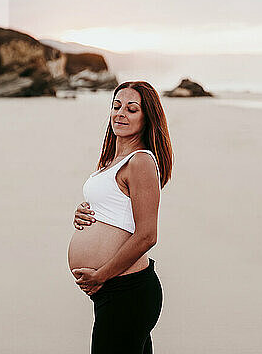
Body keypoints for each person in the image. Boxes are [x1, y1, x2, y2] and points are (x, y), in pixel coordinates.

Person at [67, 81, 173, 353]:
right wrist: (84, 213)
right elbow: (113, 208)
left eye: (131, 109)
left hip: (127, 290)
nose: (120, 113)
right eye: (116, 106)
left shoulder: (140, 162)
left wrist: (101, 275)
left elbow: (148, 235)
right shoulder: (111, 161)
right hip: (113, 291)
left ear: (147, 117)